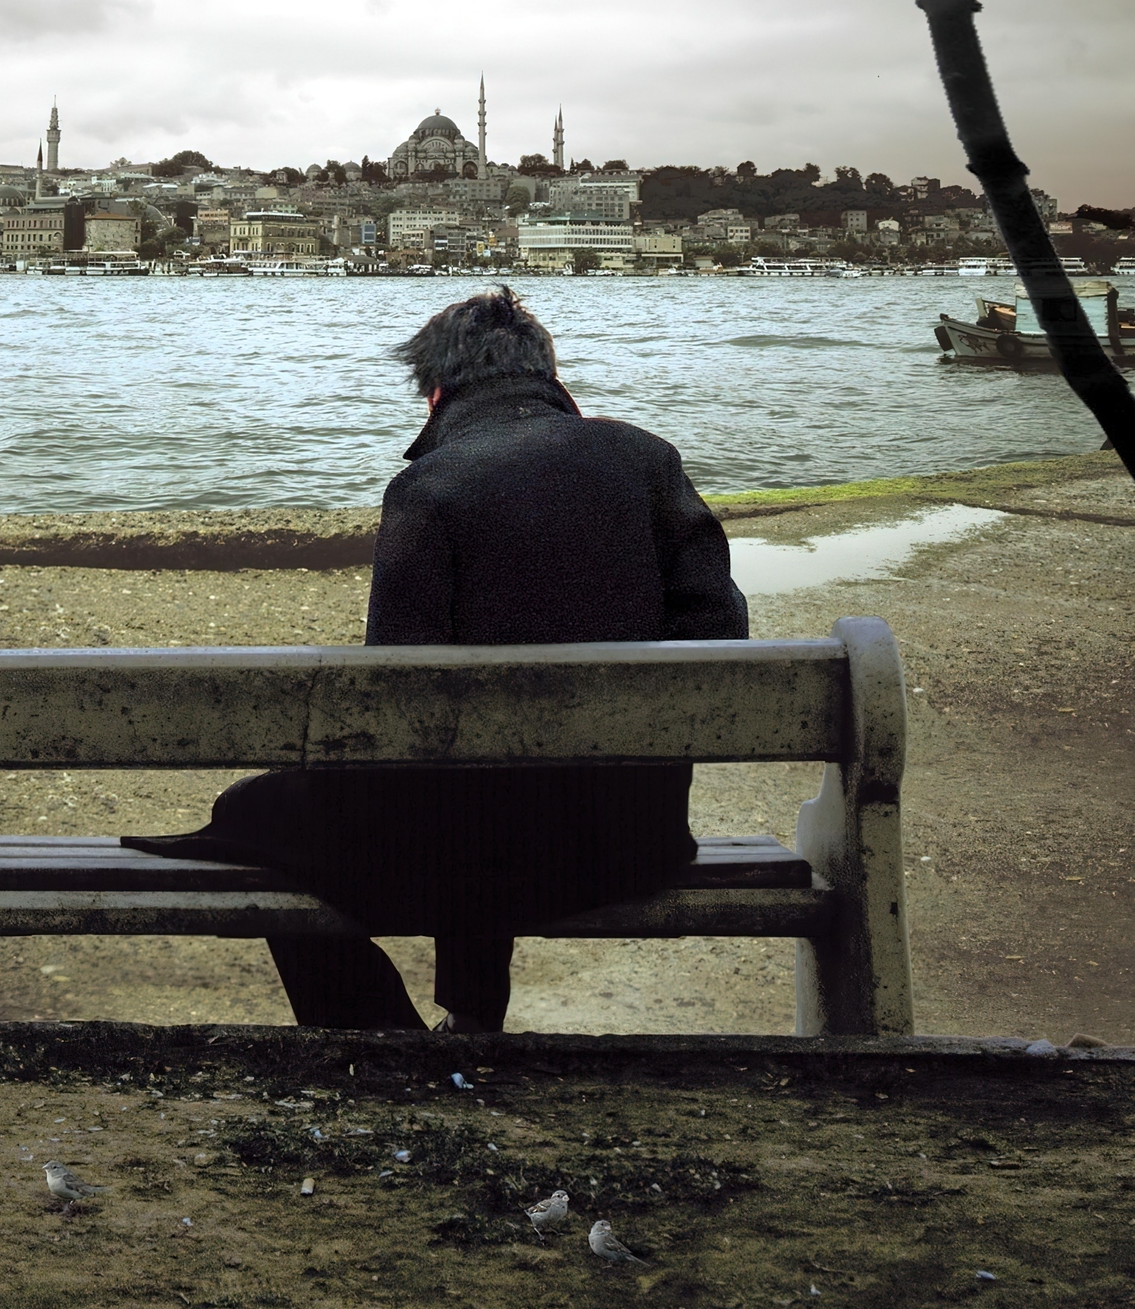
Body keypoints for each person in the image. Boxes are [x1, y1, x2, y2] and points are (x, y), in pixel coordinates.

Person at [131, 287, 746, 1030]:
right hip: (636, 845)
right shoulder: (649, 460)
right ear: (551, 376)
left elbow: (397, 699)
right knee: (486, 782)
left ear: (435, 393)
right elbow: (719, 630)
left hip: (480, 855)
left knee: (250, 814)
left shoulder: (429, 488)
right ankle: (475, 1018)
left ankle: (380, 1035)